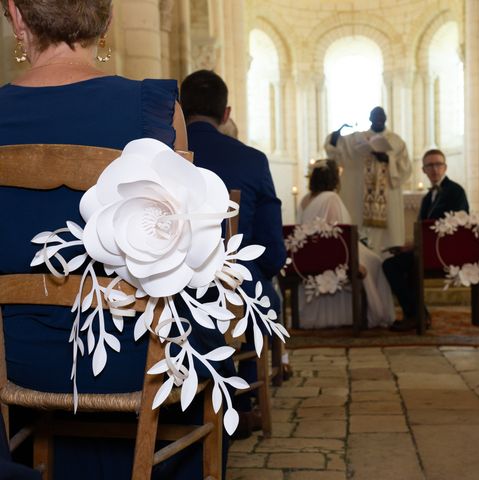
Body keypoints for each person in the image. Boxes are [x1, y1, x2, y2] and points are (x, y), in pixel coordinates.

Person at [0, 1, 223, 478]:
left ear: (17, 17)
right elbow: (179, 254)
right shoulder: (155, 109)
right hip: (131, 360)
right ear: (106, 22)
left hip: (13, 359)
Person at [179, 69, 287, 435]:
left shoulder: (159, 156)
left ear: (179, 108)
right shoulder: (252, 161)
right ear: (226, 114)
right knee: (262, 296)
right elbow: (273, 250)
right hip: (234, 290)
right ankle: (239, 399)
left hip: (169, 291)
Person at [296, 159, 396, 329]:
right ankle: (375, 313)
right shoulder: (331, 198)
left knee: (370, 258)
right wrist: (354, 260)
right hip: (332, 254)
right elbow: (338, 236)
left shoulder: (305, 200)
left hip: (309, 255)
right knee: (376, 261)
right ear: (334, 178)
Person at [383, 149, 469, 331]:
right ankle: (417, 315)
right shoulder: (428, 198)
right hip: (428, 251)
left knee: (391, 266)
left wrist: (417, 247)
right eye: (430, 165)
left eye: (438, 164)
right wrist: (411, 247)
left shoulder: (455, 191)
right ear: (423, 169)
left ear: (445, 167)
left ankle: (415, 315)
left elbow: (457, 226)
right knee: (393, 263)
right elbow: (423, 228)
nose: (434, 169)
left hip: (446, 252)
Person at [324, 106, 412, 254]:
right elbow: (334, 150)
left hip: (387, 201)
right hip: (360, 200)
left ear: (386, 118)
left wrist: (388, 160)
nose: (378, 120)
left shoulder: (396, 142)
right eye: (375, 117)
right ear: (370, 119)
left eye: (381, 117)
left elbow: (406, 168)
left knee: (388, 247)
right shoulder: (356, 139)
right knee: (360, 241)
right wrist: (337, 132)